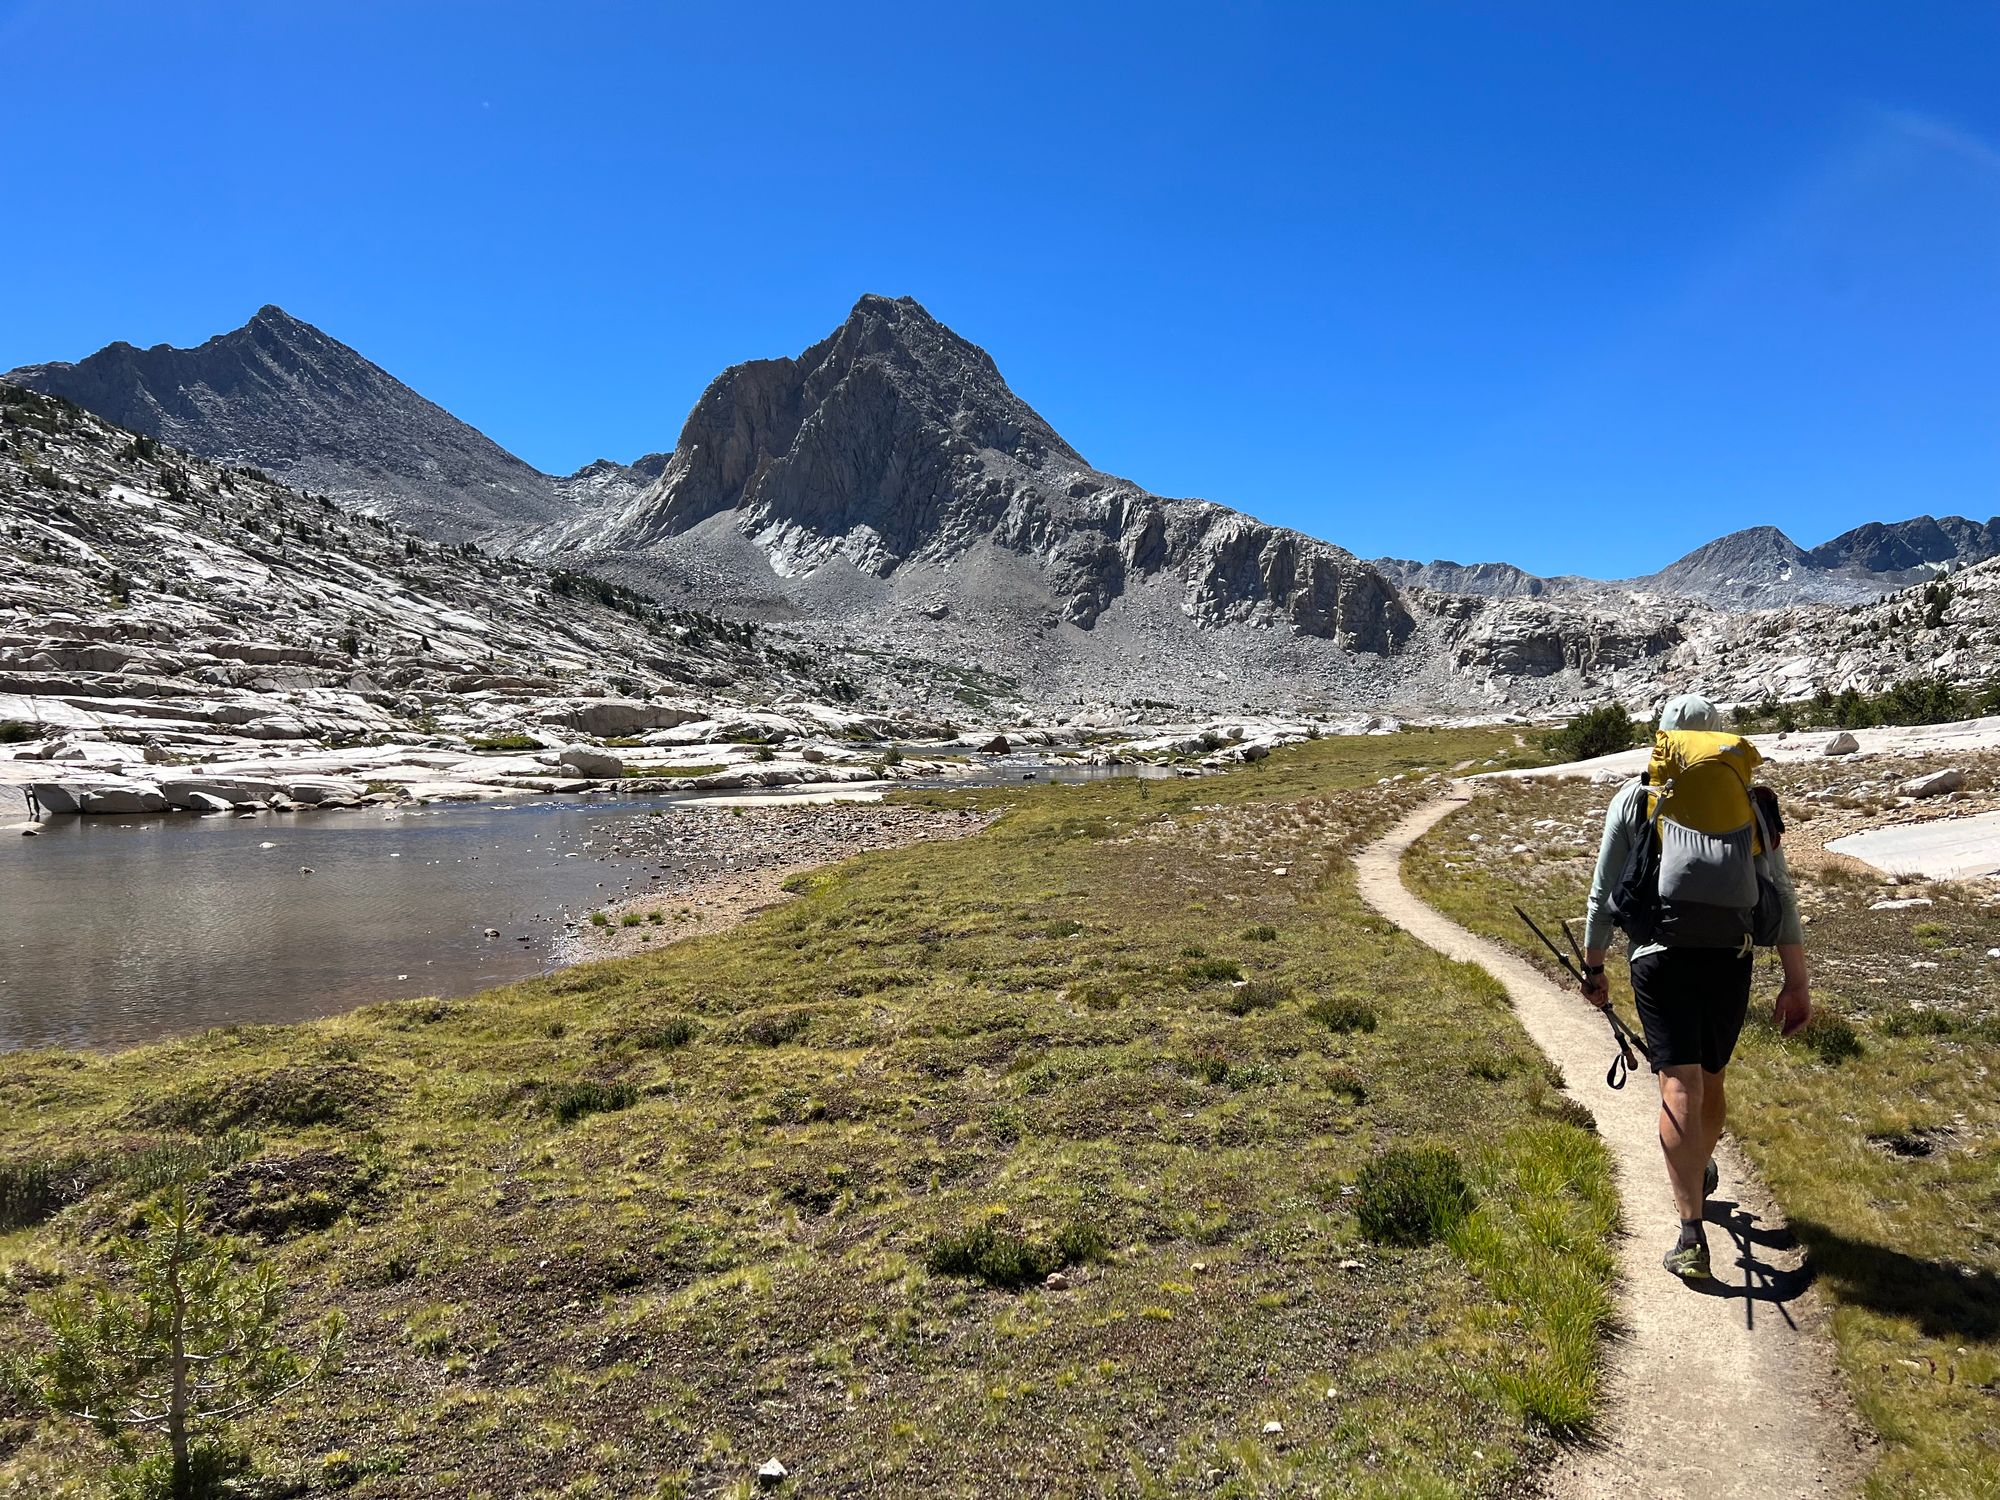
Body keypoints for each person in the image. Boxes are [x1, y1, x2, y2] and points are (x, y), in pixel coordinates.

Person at [1578, 693, 1813, 1280]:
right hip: (1729, 959)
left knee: (1677, 1085)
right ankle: (1701, 1163)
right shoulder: (1751, 801)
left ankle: (1690, 1234)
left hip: (1660, 957)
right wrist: (1795, 982)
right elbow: (1778, 895)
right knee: (1710, 1079)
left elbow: (1605, 892)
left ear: (1664, 740)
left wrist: (1594, 965)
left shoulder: (1637, 797)